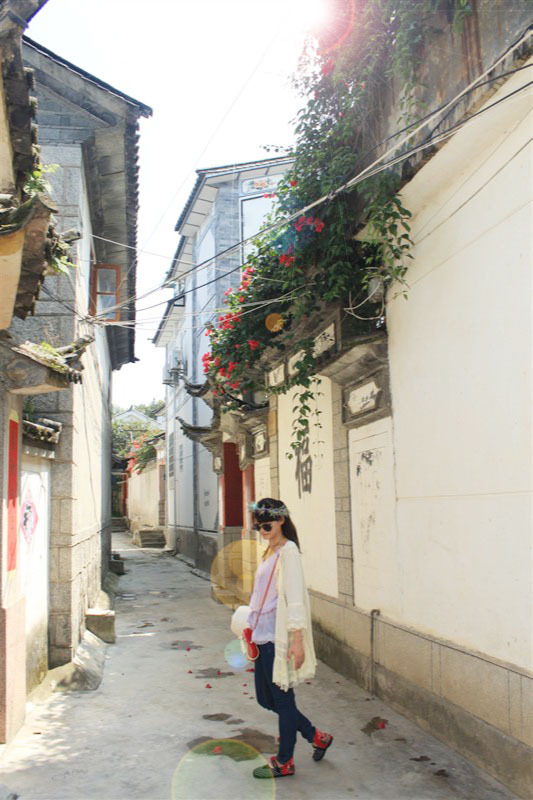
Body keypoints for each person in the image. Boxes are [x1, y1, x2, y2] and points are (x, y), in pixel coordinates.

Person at [246, 497, 333, 779]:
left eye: (267, 525)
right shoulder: (270, 551)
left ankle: (285, 761)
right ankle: (316, 736)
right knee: (266, 699)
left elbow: (294, 597)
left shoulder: (288, 551)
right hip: (261, 635)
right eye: (258, 526)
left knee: (283, 702)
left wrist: (297, 639)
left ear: (281, 520)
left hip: (277, 636)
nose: (263, 530)